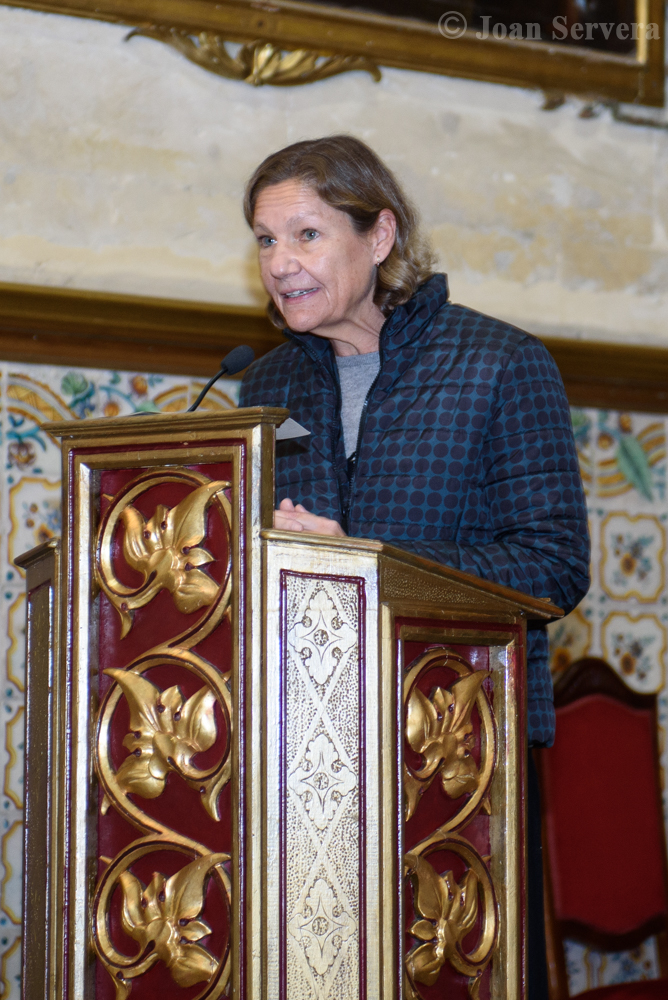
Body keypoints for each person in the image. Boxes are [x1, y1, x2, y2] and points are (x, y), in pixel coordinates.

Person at [239, 134, 590, 998]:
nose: (280, 263)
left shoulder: (500, 364)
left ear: (381, 235)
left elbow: (551, 568)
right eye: (266, 240)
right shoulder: (264, 385)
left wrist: (364, 563)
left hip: (459, 749)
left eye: (307, 235)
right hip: (302, 756)